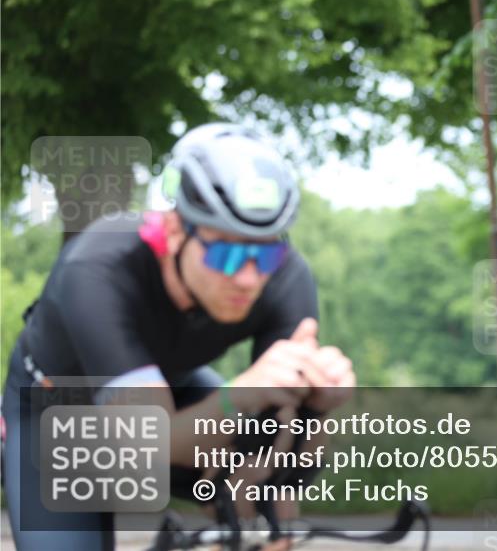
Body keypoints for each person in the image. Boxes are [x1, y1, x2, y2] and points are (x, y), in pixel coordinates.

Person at [1, 123, 355, 550]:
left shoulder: (284, 276)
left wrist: (316, 408)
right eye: (225, 253)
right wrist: (238, 397)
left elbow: (279, 455)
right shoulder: (98, 267)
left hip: (170, 392)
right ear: (172, 232)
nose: (247, 277)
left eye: (265, 252)